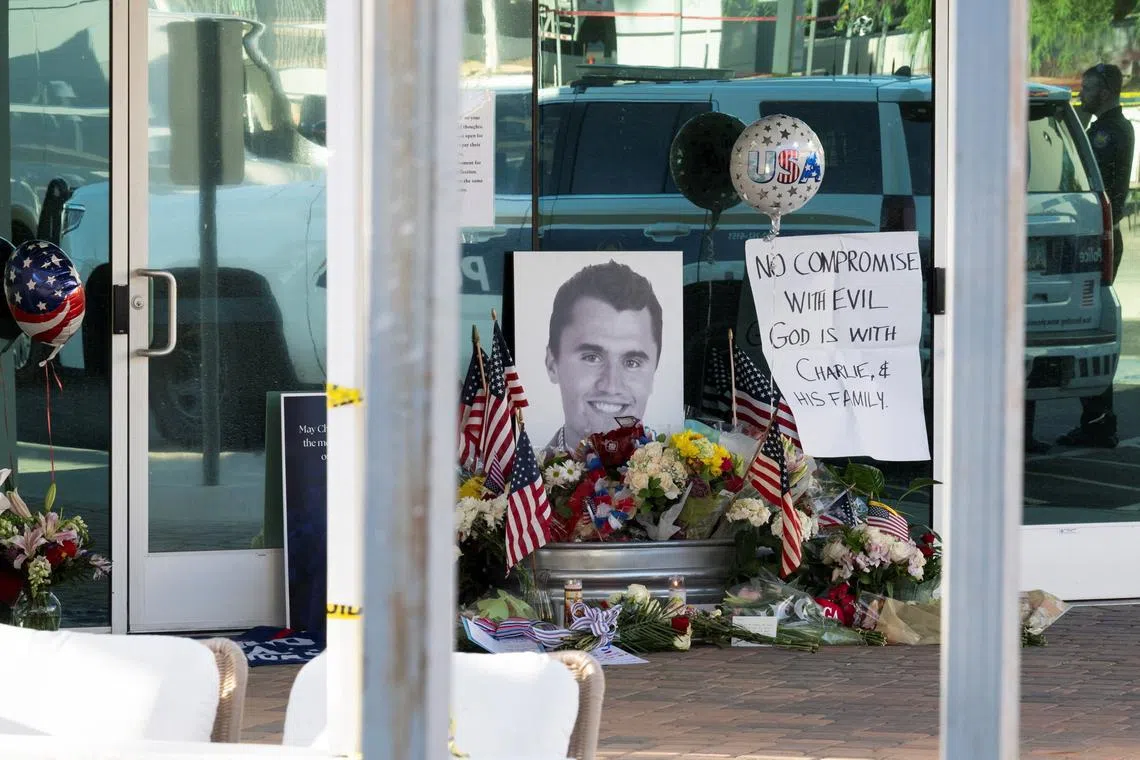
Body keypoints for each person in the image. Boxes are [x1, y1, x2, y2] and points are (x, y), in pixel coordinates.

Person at [1055, 63, 1133, 449]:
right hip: (1104, 234)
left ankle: (1100, 420)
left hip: (1097, 235)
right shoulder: (1116, 125)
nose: (1081, 93)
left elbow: (1084, 176)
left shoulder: (1105, 131)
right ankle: (1098, 419)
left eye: (1087, 88)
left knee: (1088, 327)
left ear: (1104, 90)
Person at [544, 260, 663, 452]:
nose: (611, 386)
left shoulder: (688, 476)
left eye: (632, 363)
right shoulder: (517, 477)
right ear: (552, 364)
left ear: (654, 371)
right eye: (592, 357)